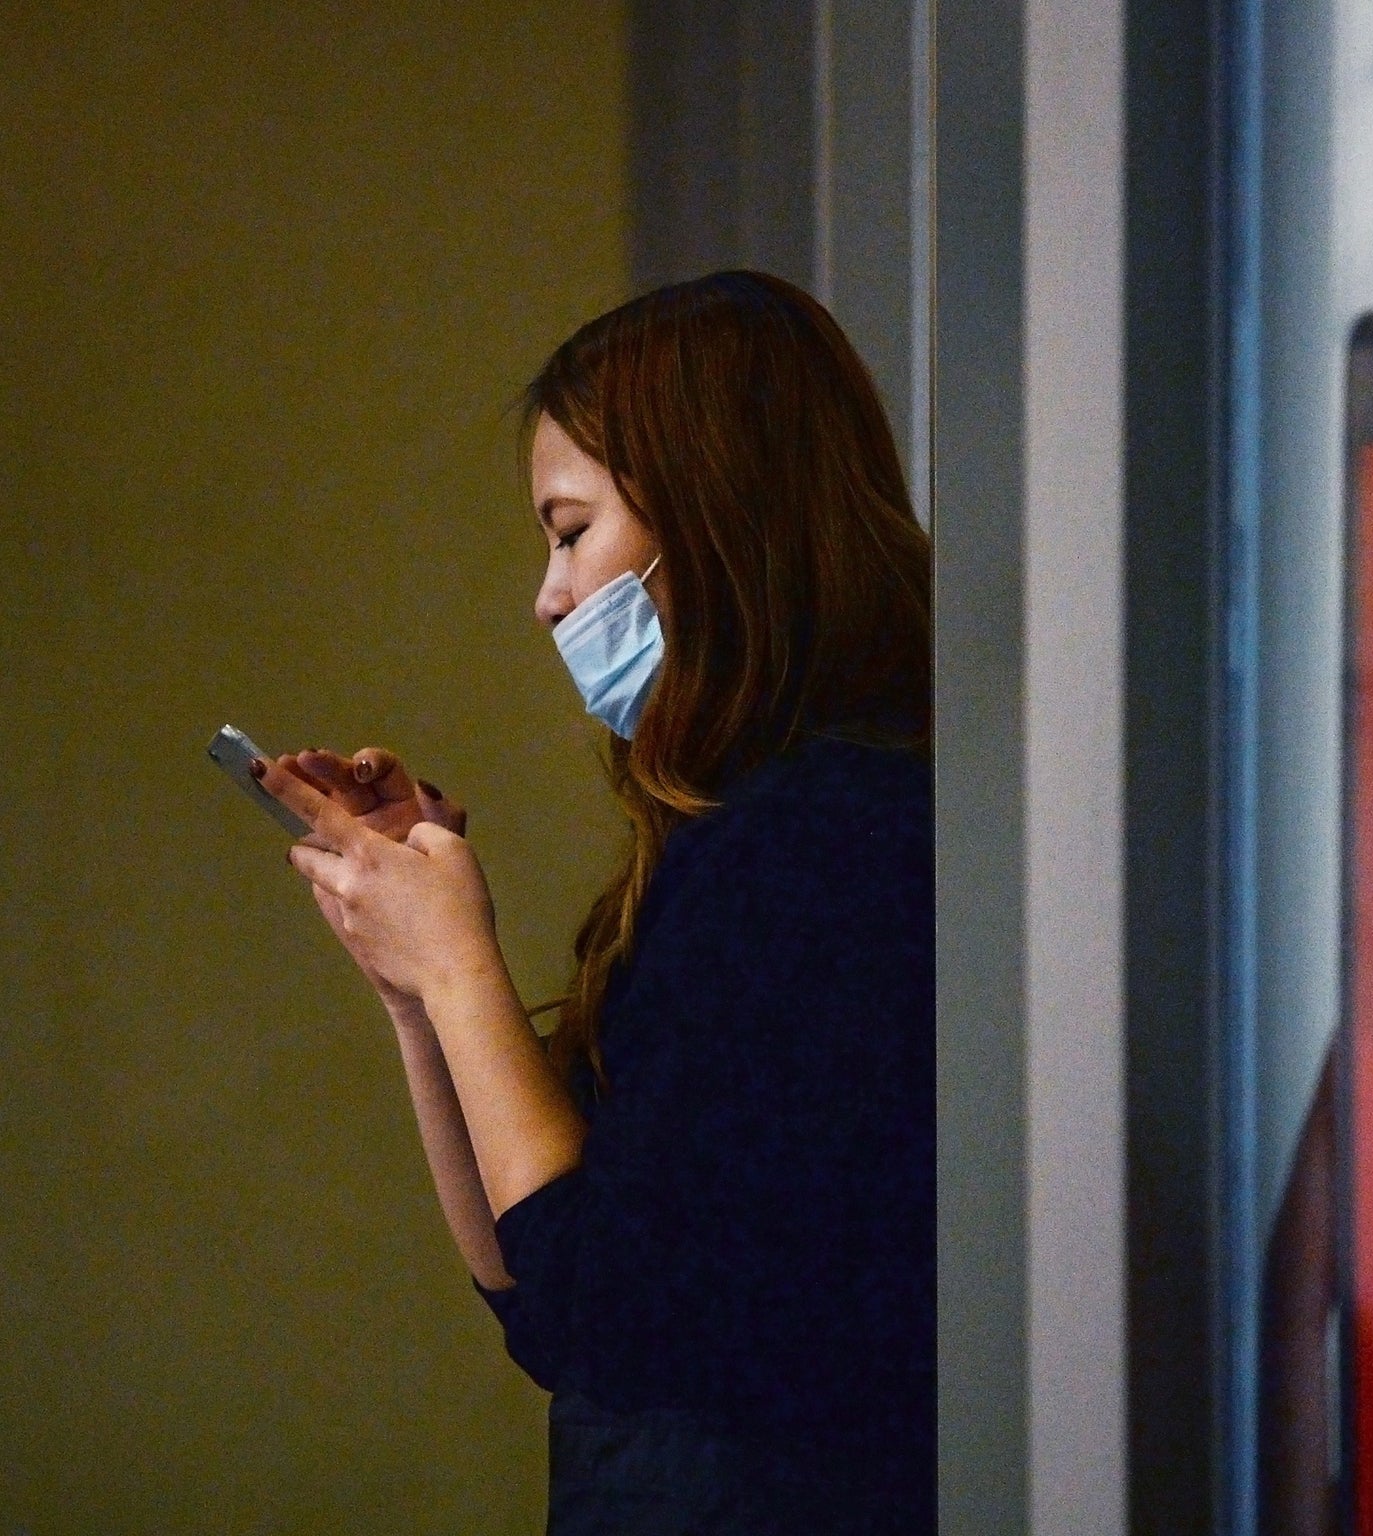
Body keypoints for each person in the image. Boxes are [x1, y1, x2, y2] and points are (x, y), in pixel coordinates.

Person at [251, 271, 935, 1534]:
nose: (549, 596)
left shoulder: (828, 839)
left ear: (716, 513)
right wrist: (419, 992)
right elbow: (529, 1288)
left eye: (571, 532)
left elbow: (600, 1305)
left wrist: (462, 972)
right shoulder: (735, 830)